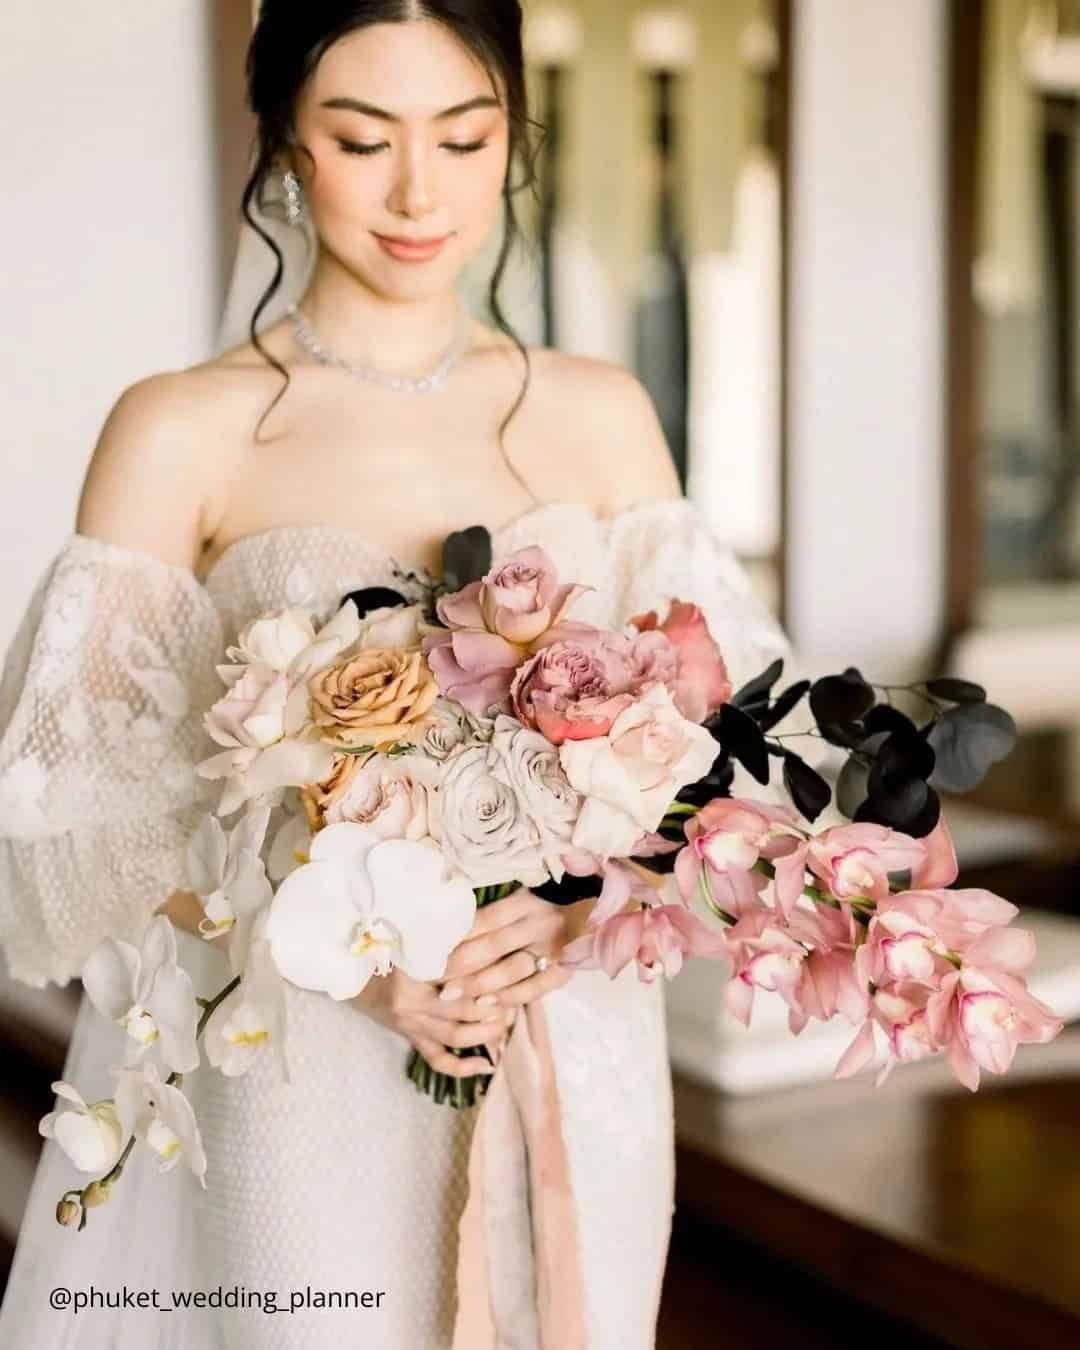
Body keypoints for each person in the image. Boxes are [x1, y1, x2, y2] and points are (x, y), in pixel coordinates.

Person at [0, 4, 791, 1347]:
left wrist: (580, 907)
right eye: (362, 139)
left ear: (511, 142)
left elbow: (732, 769)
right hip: (307, 1058)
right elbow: (77, 831)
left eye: (466, 136)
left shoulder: (601, 414)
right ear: (288, 145)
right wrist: (342, 952)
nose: (420, 192)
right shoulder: (181, 427)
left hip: (571, 1042)